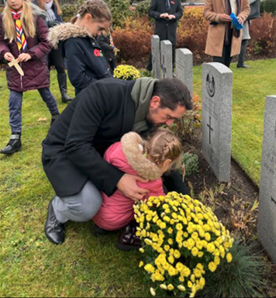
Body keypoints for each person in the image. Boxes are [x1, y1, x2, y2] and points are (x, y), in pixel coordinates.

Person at [42, 77, 192, 245]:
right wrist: (118, 179)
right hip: (65, 153)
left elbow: (160, 159)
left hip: (101, 155)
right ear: (155, 102)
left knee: (149, 185)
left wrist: (186, 204)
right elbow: (75, 146)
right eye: (169, 117)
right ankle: (58, 209)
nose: (169, 124)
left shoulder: (150, 115)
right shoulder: (104, 94)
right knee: (88, 205)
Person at [0, 0, 59, 155]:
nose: (12, 1)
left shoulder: (36, 18)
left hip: (35, 66)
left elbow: (47, 42)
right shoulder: (3, 19)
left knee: (46, 94)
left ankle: (57, 117)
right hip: (15, 69)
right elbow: (0, 41)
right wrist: (4, 52)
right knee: (14, 102)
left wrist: (31, 54)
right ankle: (15, 136)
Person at [92, 129, 183, 245]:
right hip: (114, 220)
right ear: (166, 163)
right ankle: (130, 237)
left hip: (96, 209)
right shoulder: (151, 181)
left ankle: (101, 227)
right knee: (146, 209)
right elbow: (157, 205)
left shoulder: (119, 149)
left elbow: (106, 157)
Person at [48, 0, 112, 95]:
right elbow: (78, 78)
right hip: (92, 99)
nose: (99, 33)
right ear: (88, 18)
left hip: (101, 95)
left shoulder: (88, 37)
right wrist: (106, 88)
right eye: (100, 28)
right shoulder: (73, 42)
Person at [28, 0, 72, 103]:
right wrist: (49, 24)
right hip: (41, 44)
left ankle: (64, 94)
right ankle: (48, 96)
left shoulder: (54, 7)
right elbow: (31, 26)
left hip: (55, 42)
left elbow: (60, 22)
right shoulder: (32, 8)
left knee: (60, 66)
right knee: (44, 69)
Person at [203, 0, 250, 68]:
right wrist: (219, 17)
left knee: (226, 68)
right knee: (217, 68)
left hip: (234, 33)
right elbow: (206, 12)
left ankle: (225, 85)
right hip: (218, 34)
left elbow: (246, 9)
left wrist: (242, 17)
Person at [147, 0, 183, 73]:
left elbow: (180, 12)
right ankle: (150, 69)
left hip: (171, 29)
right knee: (156, 48)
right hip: (160, 28)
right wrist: (160, 15)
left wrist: (174, 16)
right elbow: (150, 11)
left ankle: (170, 71)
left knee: (171, 50)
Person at [237, 0, 260, 68]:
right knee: (242, 42)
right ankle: (240, 63)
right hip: (241, 22)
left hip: (244, 22)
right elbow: (244, 5)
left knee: (243, 42)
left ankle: (240, 62)